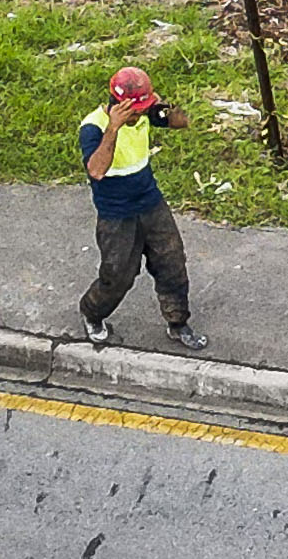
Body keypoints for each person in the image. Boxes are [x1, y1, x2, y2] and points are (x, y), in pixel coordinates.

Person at [75, 65, 208, 353]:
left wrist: (163, 107)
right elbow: (97, 170)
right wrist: (114, 127)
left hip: (150, 203)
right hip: (116, 215)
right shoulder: (94, 127)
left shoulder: (146, 113)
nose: (139, 117)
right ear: (118, 106)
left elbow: (183, 122)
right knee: (118, 274)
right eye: (135, 112)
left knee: (172, 264)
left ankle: (178, 323)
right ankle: (92, 313)